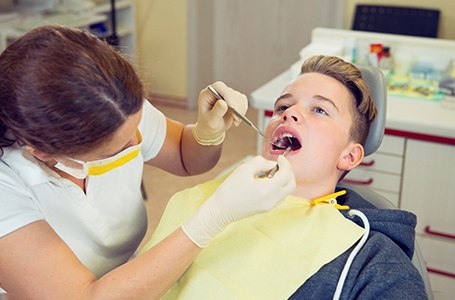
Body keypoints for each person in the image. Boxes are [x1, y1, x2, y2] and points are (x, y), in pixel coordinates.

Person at [0, 26, 295, 299]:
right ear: (42, 152)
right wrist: (212, 218)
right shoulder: (6, 188)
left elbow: (184, 156)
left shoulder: (116, 104)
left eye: (136, 129)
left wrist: (207, 133)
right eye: (116, 149)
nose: (136, 144)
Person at [142, 55, 428, 299]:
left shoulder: (371, 259)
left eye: (319, 109)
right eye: (282, 106)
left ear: (349, 156)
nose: (289, 113)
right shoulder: (214, 197)